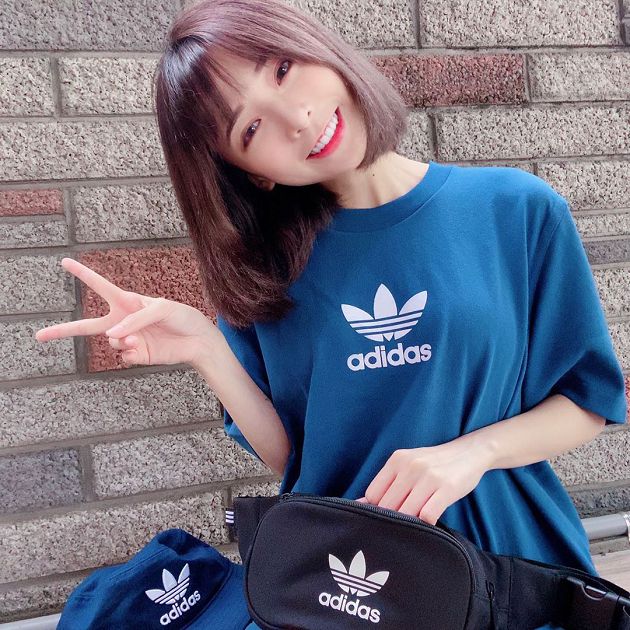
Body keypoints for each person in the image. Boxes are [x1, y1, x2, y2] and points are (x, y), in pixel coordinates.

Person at [36, 0, 627, 627]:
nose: (296, 119)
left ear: (319, 49)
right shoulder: (268, 273)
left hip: (512, 569)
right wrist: (206, 349)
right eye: (250, 129)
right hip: (355, 592)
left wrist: (471, 454)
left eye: (282, 69)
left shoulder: (515, 209)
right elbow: (300, 460)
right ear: (251, 174)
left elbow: (587, 401)